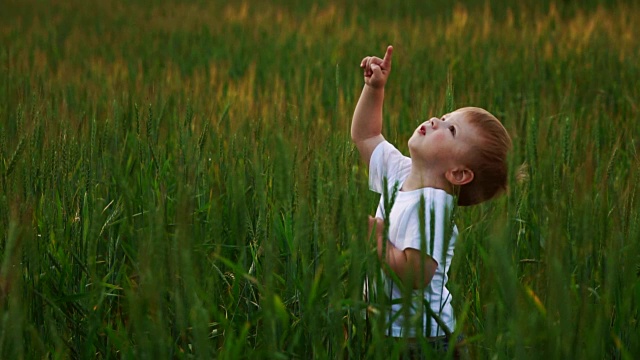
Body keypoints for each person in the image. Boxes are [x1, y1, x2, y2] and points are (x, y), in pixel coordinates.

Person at [352, 45, 511, 357]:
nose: (437, 120)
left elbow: (417, 274)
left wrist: (379, 240)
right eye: (445, 116)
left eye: (451, 130)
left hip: (420, 340)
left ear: (459, 173)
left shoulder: (434, 208)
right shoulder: (400, 173)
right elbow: (366, 137)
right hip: (387, 327)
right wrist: (374, 89)